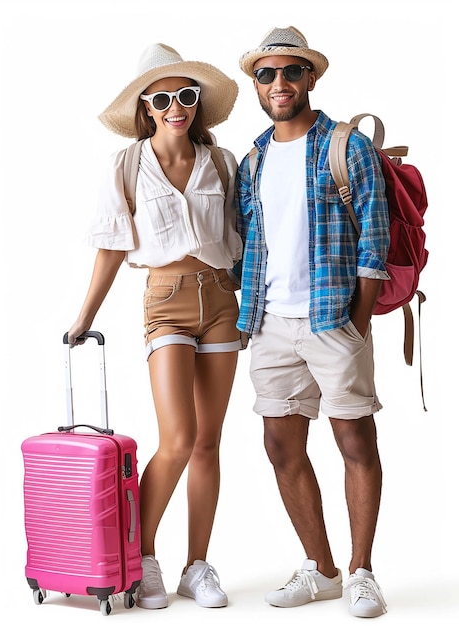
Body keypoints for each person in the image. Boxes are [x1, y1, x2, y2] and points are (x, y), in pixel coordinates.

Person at [67, 43, 243, 610]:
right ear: (146, 105)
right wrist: (84, 317)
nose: (176, 106)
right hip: (165, 302)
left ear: (196, 102)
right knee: (178, 438)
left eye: (185, 96)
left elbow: (245, 242)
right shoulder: (126, 164)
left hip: (220, 300)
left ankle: (199, 565)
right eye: (163, 97)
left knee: (209, 442)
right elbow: (112, 249)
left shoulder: (221, 162)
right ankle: (143, 558)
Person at [234, 26, 389, 618]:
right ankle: (320, 568)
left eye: (290, 72)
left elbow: (374, 240)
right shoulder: (255, 158)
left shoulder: (347, 146)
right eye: (267, 74)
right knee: (279, 445)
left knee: (355, 440)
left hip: (333, 319)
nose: (279, 83)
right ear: (256, 84)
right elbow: (253, 245)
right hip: (271, 324)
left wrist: (356, 322)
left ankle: (361, 572)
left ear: (310, 78)